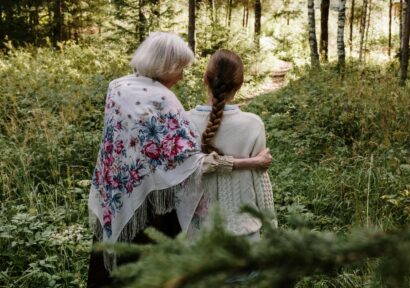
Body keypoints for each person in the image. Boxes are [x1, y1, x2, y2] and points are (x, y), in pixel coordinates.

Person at [87, 33, 272, 287]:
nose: (182, 76)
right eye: (181, 69)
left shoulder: (118, 87)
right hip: (152, 204)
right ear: (165, 67)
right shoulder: (166, 101)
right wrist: (249, 163)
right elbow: (191, 162)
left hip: (118, 194)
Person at [187, 49, 277, 241]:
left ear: (205, 79)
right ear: (240, 84)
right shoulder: (252, 124)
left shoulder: (184, 121)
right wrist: (271, 229)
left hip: (196, 235)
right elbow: (260, 179)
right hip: (244, 232)